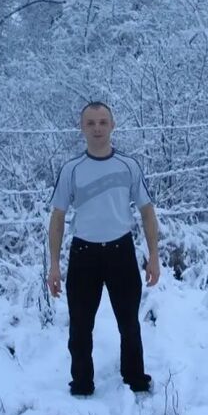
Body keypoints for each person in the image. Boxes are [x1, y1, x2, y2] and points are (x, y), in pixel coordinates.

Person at [47, 101, 160, 397]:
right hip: (84, 255)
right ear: (81, 127)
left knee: (129, 323)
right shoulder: (72, 170)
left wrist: (154, 257)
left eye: (102, 122)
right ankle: (82, 384)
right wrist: (54, 264)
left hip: (121, 252)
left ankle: (135, 379)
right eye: (90, 123)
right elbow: (57, 218)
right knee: (80, 326)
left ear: (112, 125)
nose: (97, 128)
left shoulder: (128, 165)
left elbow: (147, 212)